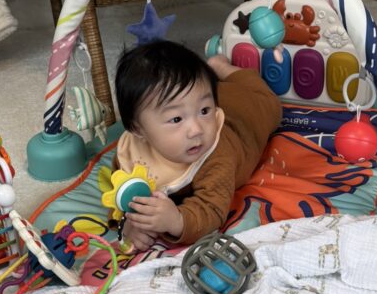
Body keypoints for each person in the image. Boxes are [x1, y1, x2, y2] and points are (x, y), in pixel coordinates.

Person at [114, 40, 282, 250]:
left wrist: (177, 221)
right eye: (176, 119)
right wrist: (130, 222)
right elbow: (120, 193)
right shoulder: (131, 153)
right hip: (212, 95)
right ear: (138, 129)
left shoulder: (217, 154)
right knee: (197, 97)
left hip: (246, 113)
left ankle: (222, 68)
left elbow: (212, 208)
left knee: (269, 102)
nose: (196, 130)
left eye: (205, 111)